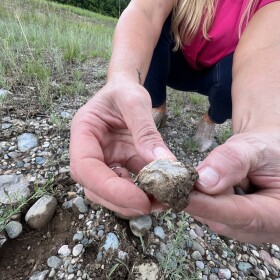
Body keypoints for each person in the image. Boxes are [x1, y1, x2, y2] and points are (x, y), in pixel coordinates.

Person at [70, 0, 280, 244]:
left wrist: (265, 134)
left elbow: (267, 54)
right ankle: (157, 106)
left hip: (220, 74)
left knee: (228, 90)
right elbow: (145, 12)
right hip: (176, 58)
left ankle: (210, 120)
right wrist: (121, 80)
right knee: (152, 44)